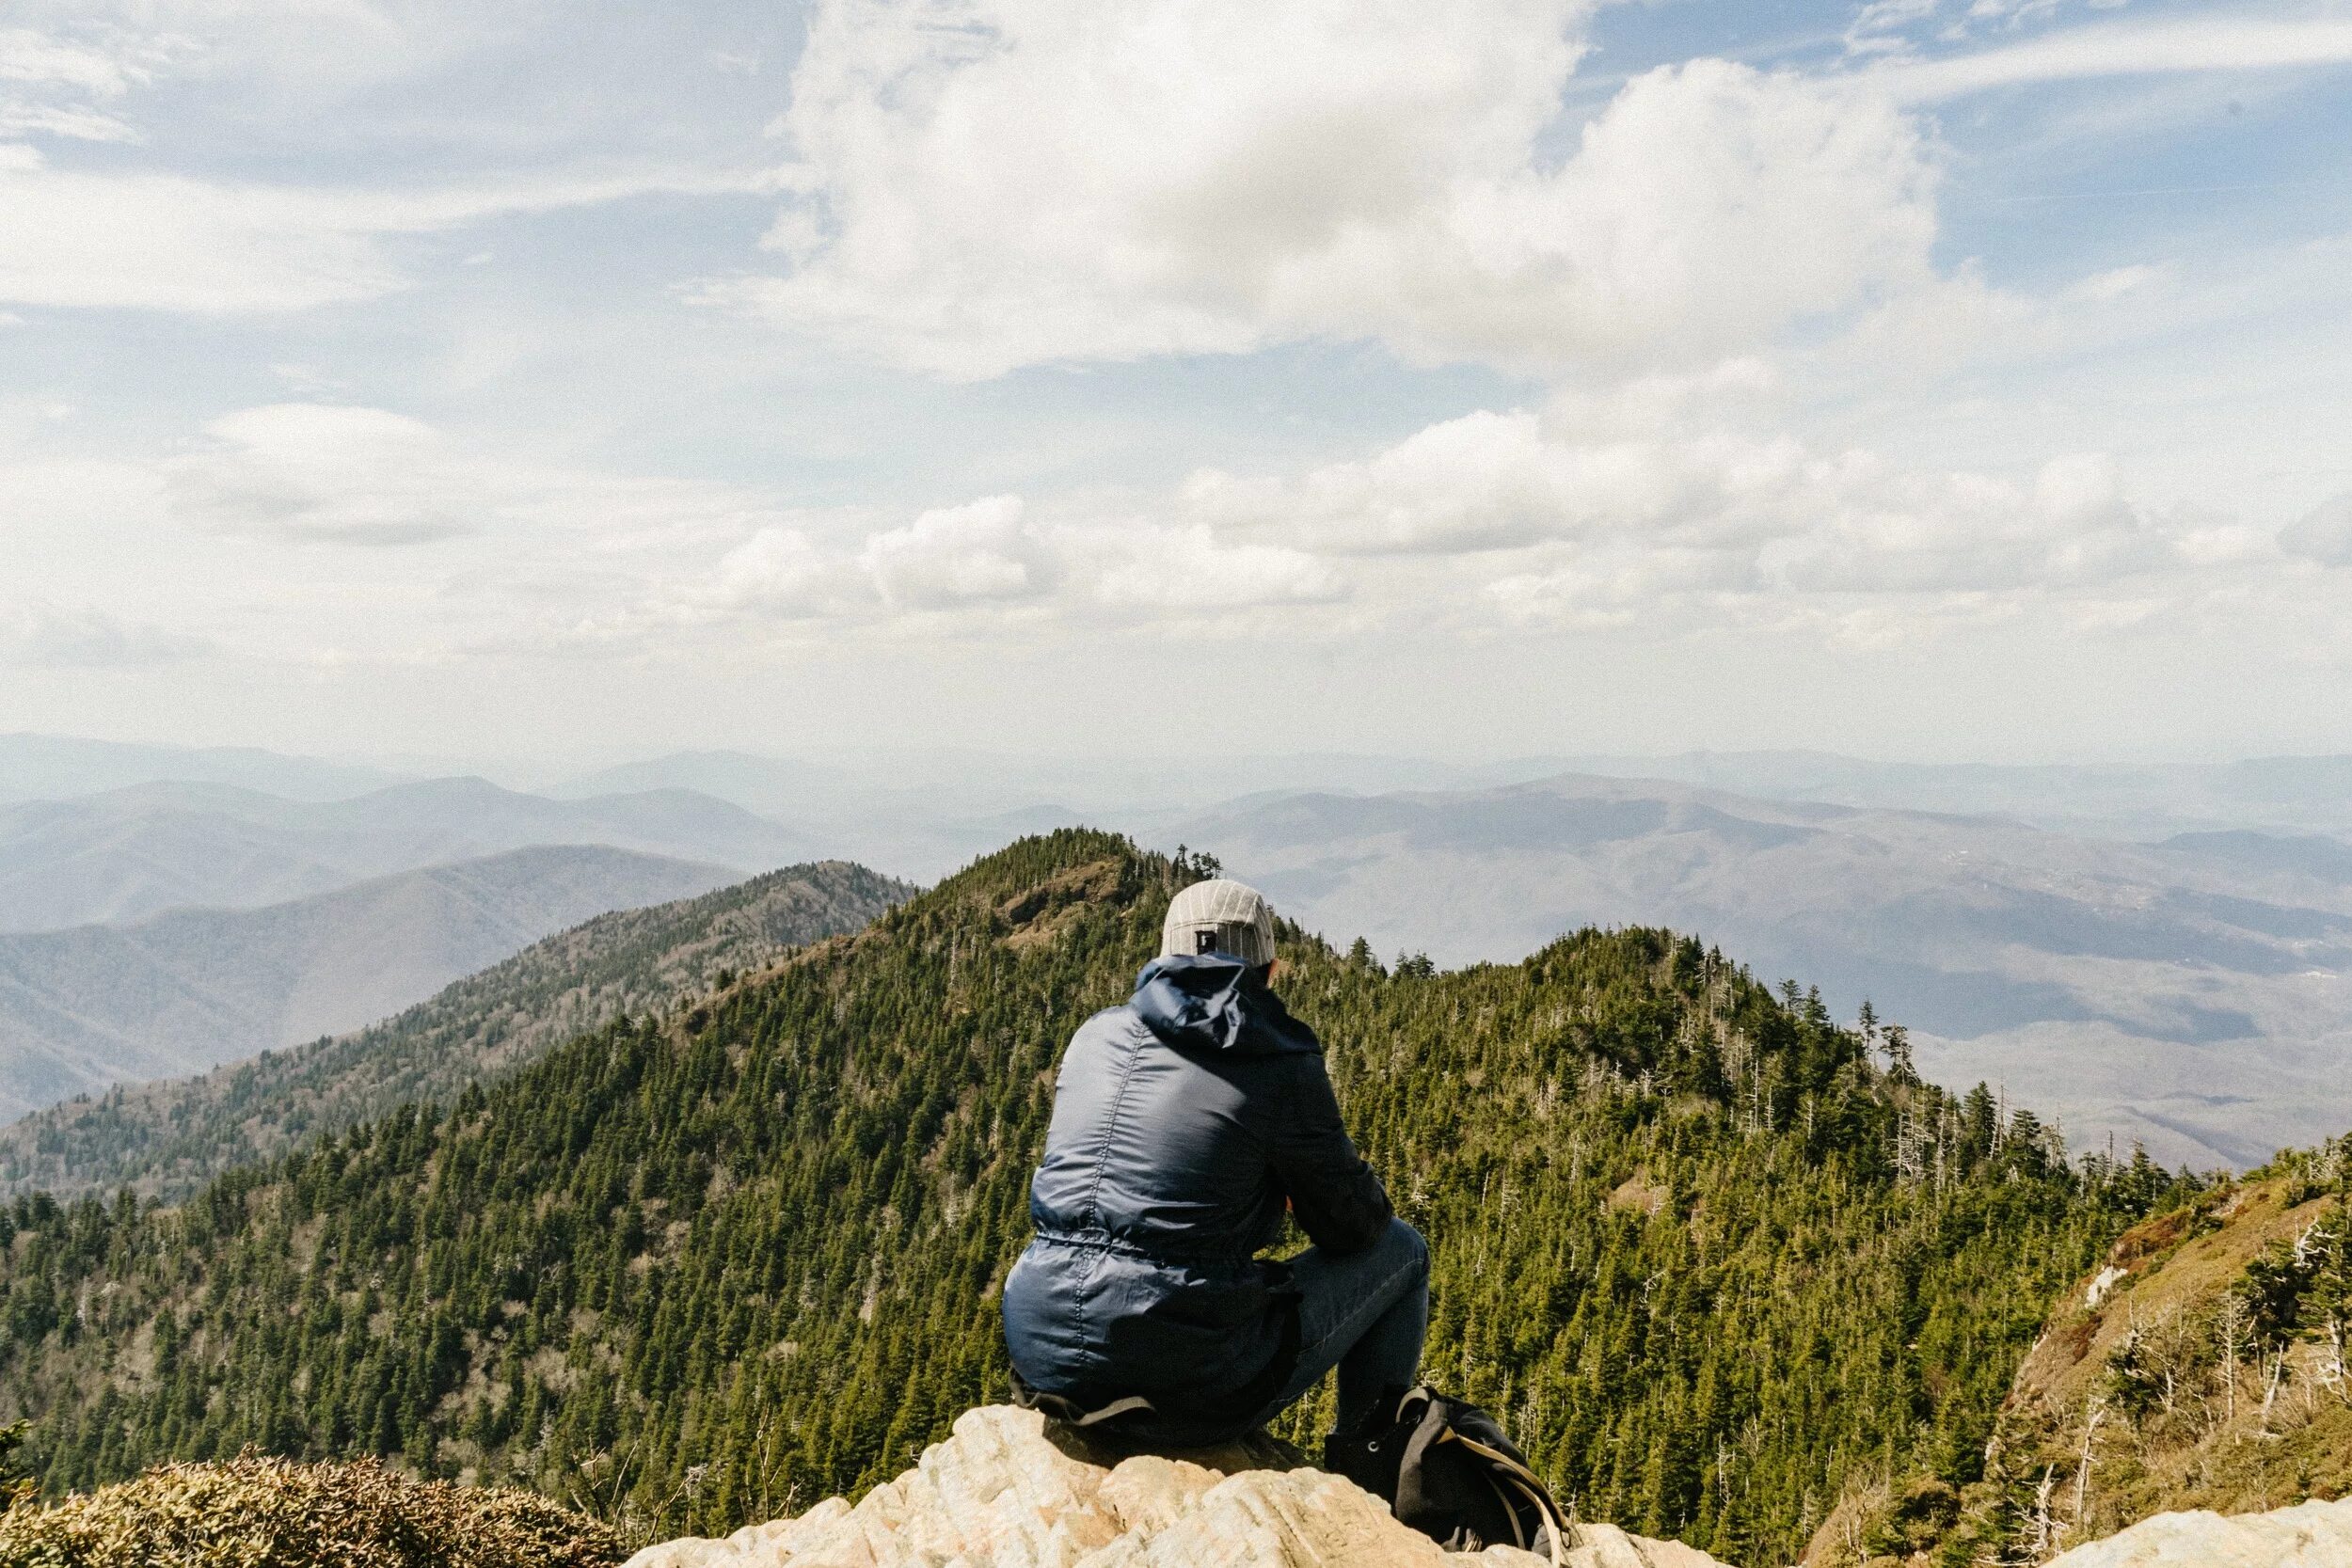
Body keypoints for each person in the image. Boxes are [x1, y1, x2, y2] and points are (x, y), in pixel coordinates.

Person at [1001, 877, 1428, 1449]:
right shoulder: (1277, 1062)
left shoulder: (1093, 1036)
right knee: (1404, 1251)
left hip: (1040, 1350)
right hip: (1177, 1380)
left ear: (1161, 959)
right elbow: (1353, 1229)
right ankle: (1368, 1468)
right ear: (1270, 972)